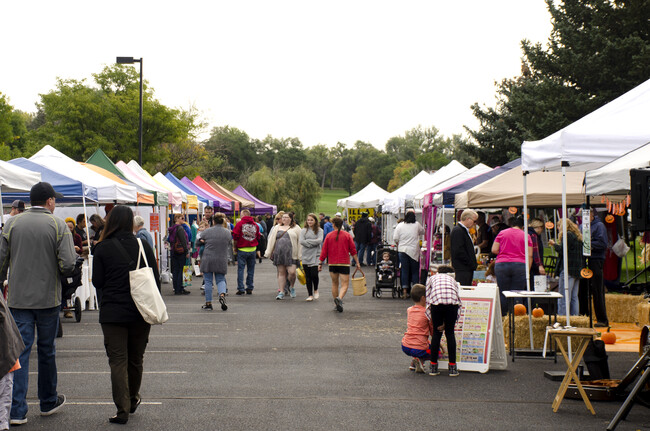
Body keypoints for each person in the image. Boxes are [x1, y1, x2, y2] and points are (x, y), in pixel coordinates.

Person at [0, 182, 76, 425]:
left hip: (18, 299)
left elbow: (1, 260)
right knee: (47, 351)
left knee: (17, 354)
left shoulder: (12, 223)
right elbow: (67, 264)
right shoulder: (57, 224)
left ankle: (16, 410)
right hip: (48, 299)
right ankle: (47, 401)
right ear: (50, 201)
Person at [92, 205, 160, 424]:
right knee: (136, 358)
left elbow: (98, 281)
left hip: (112, 312)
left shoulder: (102, 248)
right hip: (141, 310)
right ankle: (132, 398)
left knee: (118, 360)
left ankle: (122, 409)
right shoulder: (143, 245)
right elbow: (155, 279)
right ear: (131, 221)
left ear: (110, 221)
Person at [318, 216, 361, 312]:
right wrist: (357, 262)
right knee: (344, 284)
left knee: (334, 283)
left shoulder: (329, 236)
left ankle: (335, 302)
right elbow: (353, 250)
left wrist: (320, 262)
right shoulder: (347, 235)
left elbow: (324, 251)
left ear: (333, 224)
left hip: (332, 263)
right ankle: (340, 298)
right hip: (344, 263)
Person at [492, 216, 533, 314]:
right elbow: (530, 255)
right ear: (522, 227)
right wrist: (527, 270)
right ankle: (516, 318)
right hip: (520, 265)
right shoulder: (526, 235)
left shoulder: (502, 233)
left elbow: (494, 250)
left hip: (502, 265)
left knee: (503, 293)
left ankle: (504, 318)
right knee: (518, 293)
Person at [426, 266, 462, 377]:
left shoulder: (432, 278)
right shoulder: (453, 280)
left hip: (436, 303)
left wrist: (430, 314)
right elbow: (457, 295)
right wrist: (447, 324)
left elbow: (428, 296)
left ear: (438, 272)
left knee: (437, 334)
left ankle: (433, 366)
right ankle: (452, 367)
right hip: (452, 303)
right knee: (450, 333)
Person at [198, 212, 232, 311]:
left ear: (213, 221)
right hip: (221, 258)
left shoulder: (207, 232)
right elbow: (229, 243)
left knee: (208, 281)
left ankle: (208, 303)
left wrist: (203, 242)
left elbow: (198, 241)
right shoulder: (227, 232)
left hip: (208, 258)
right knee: (221, 279)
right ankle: (222, 294)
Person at [549, 218, 583, 316]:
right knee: (574, 297)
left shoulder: (567, 235)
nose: (558, 229)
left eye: (559, 226)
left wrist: (554, 244)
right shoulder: (577, 237)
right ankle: (575, 318)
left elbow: (563, 250)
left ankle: (563, 317)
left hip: (568, 268)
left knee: (563, 296)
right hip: (577, 269)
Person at [0, 294, 24, 430]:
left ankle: (3, 423)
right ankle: (3, 423)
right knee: (5, 392)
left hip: (6, 351)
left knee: (5, 390)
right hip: (6, 351)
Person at [265, 212, 301, 300]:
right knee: (281, 273)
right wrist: (268, 252)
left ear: (291, 219)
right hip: (279, 253)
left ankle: (291, 287)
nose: (284, 219)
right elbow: (271, 240)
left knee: (292, 272)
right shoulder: (276, 227)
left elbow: (300, 242)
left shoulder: (296, 228)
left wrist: (300, 255)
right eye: (283, 217)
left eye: (286, 217)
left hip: (292, 254)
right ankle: (281, 291)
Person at [401, 284, 432, 373]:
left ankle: (414, 362)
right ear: (423, 298)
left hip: (405, 345)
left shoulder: (409, 310)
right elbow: (432, 330)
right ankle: (421, 361)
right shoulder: (427, 313)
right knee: (436, 352)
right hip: (419, 348)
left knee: (419, 343)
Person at [394, 210, 425, 298]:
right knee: (414, 271)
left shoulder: (400, 225)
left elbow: (395, 238)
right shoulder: (417, 225)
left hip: (402, 250)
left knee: (404, 270)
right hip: (413, 251)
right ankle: (415, 291)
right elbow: (423, 231)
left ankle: (404, 290)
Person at [588, 208, 609, 327]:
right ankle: (585, 316)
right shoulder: (583, 226)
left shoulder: (599, 226)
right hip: (587, 260)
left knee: (597, 289)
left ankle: (602, 319)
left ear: (591, 215)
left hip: (596, 259)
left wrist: (588, 245)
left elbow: (603, 243)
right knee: (586, 290)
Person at [232, 209, 260, 295]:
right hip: (252, 249)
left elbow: (235, 236)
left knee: (241, 270)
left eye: (240, 214)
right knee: (251, 270)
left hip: (242, 249)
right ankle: (250, 287)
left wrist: (235, 247)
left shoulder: (239, 224)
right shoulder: (255, 225)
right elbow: (258, 236)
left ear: (243, 215)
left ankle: (241, 288)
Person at [450, 209, 479, 287]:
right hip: (463, 268)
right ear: (467, 219)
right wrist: (470, 263)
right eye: (474, 221)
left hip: (465, 268)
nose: (475, 224)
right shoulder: (458, 231)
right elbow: (459, 251)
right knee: (464, 289)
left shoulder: (463, 230)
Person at [299, 213, 323, 301]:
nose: (309, 221)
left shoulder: (319, 230)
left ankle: (316, 289)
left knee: (314, 274)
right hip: (305, 255)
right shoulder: (303, 230)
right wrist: (313, 242)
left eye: (311, 220)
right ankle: (310, 295)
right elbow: (301, 241)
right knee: (308, 276)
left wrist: (308, 241)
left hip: (316, 254)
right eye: (308, 220)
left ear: (315, 221)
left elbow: (319, 241)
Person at [168, 214, 190, 295]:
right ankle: (180, 288)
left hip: (174, 250)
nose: (183, 219)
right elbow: (183, 240)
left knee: (176, 270)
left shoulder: (172, 228)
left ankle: (176, 288)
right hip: (181, 251)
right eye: (182, 218)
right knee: (181, 269)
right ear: (177, 219)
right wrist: (186, 251)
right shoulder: (180, 228)